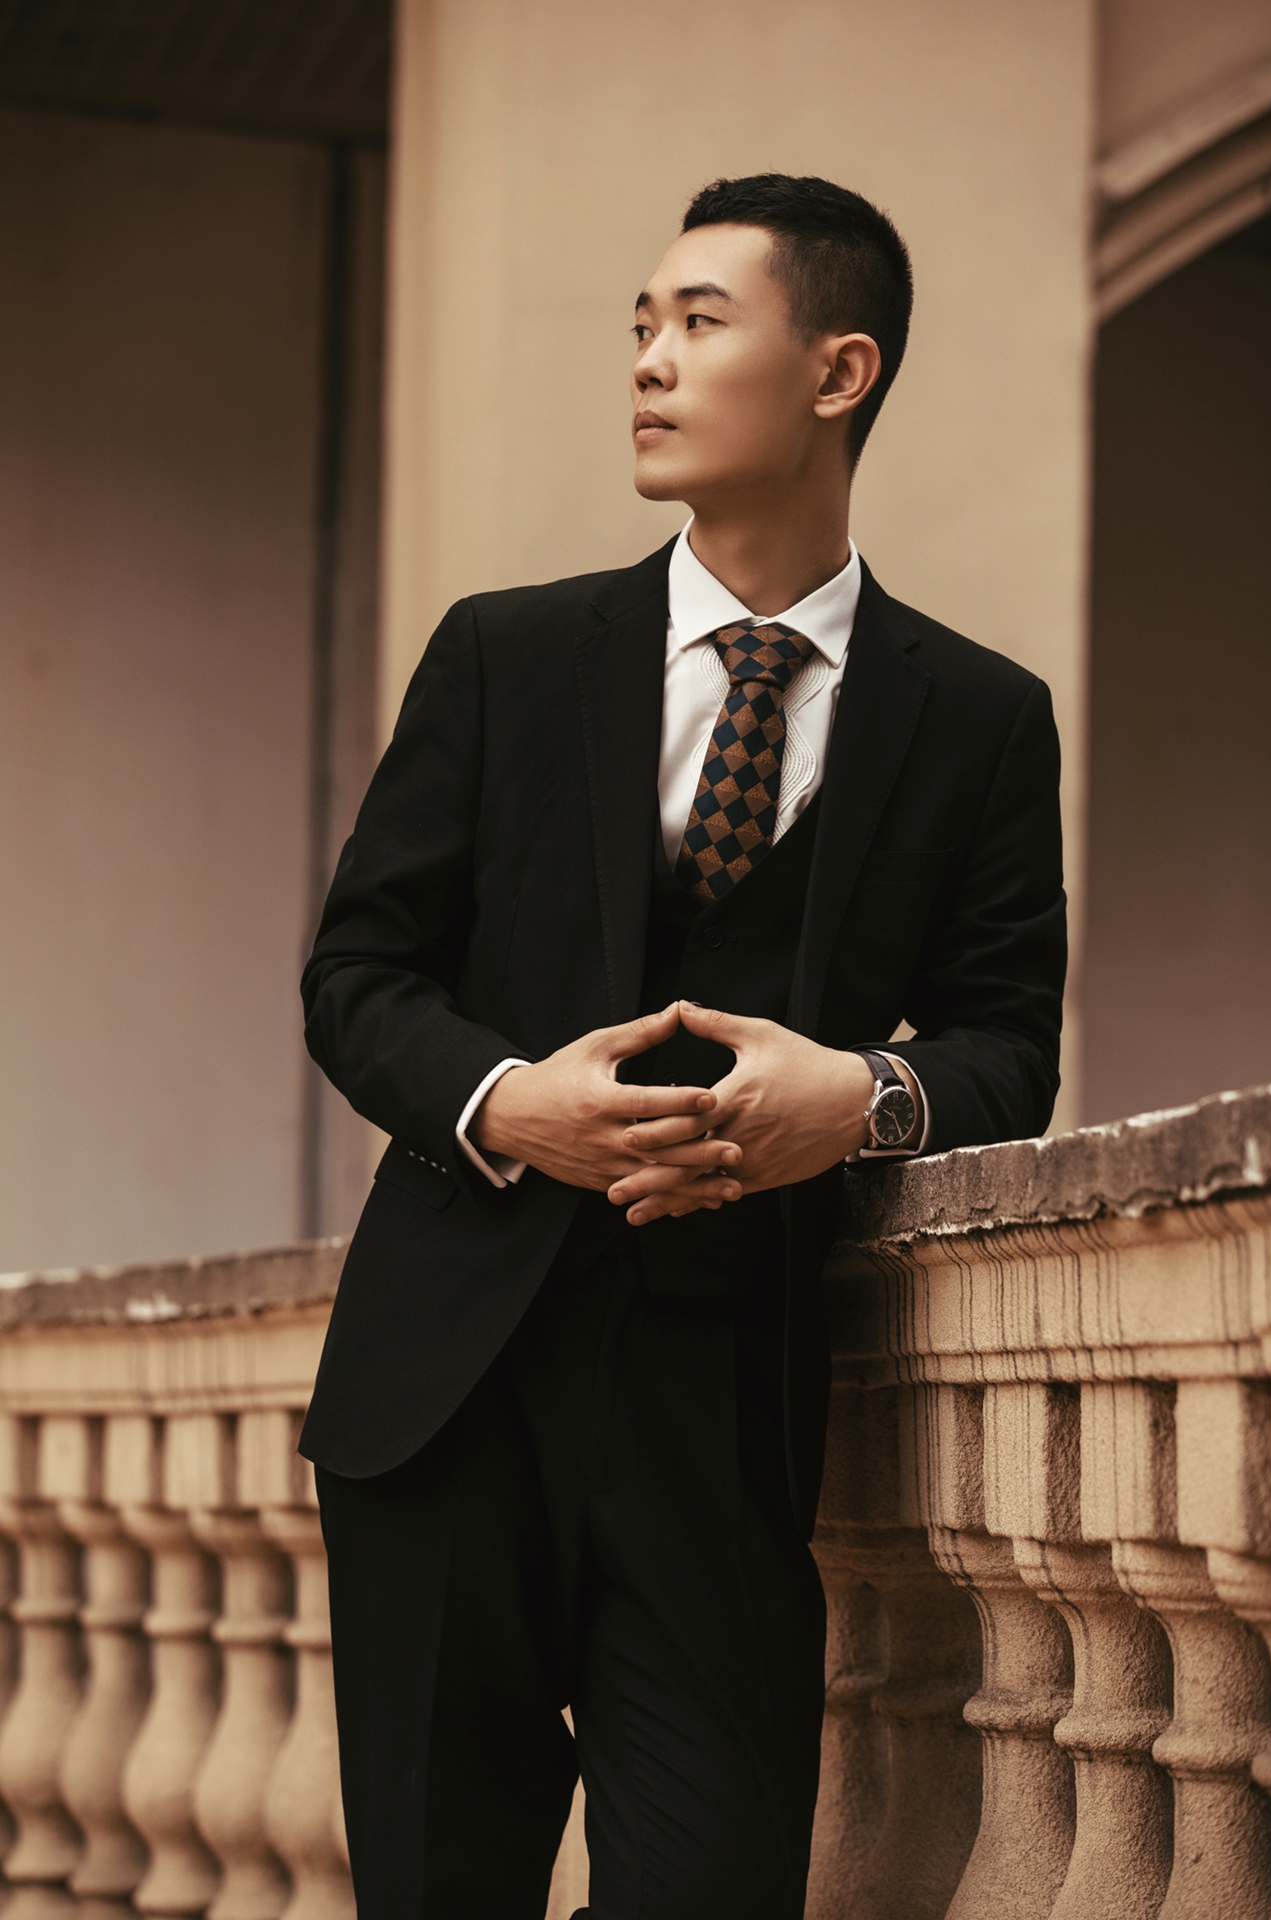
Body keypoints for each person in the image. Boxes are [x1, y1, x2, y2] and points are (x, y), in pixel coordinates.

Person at [299, 172, 1066, 1920]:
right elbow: (358, 973)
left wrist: (856, 1098)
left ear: (840, 371)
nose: (649, 361)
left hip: (726, 1418)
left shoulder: (977, 717)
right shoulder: (502, 655)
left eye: (701, 323)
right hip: (447, 1398)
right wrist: (512, 1103)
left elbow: (1007, 1045)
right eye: (641, 326)